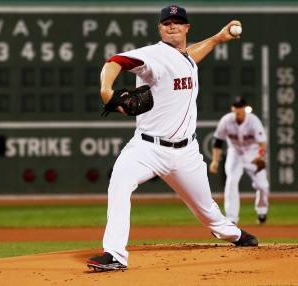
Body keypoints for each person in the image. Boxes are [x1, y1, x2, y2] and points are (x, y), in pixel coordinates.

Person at [86, 5, 258, 272]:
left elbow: (190, 57)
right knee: (119, 183)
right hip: (146, 148)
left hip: (186, 153)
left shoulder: (184, 57)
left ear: (187, 27)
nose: (172, 26)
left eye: (178, 22)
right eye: (167, 23)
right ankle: (115, 254)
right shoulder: (153, 55)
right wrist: (106, 89)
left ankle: (232, 234)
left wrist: (217, 38)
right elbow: (115, 62)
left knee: (207, 210)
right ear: (160, 28)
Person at [209, 96, 269, 225]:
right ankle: (232, 218)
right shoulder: (226, 120)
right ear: (233, 108)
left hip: (253, 154)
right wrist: (215, 161)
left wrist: (260, 156)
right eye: (236, 107)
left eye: (241, 107)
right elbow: (218, 141)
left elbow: (263, 143)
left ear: (245, 109)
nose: (238, 110)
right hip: (235, 154)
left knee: (263, 186)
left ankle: (262, 210)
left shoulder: (253, 121)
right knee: (231, 182)